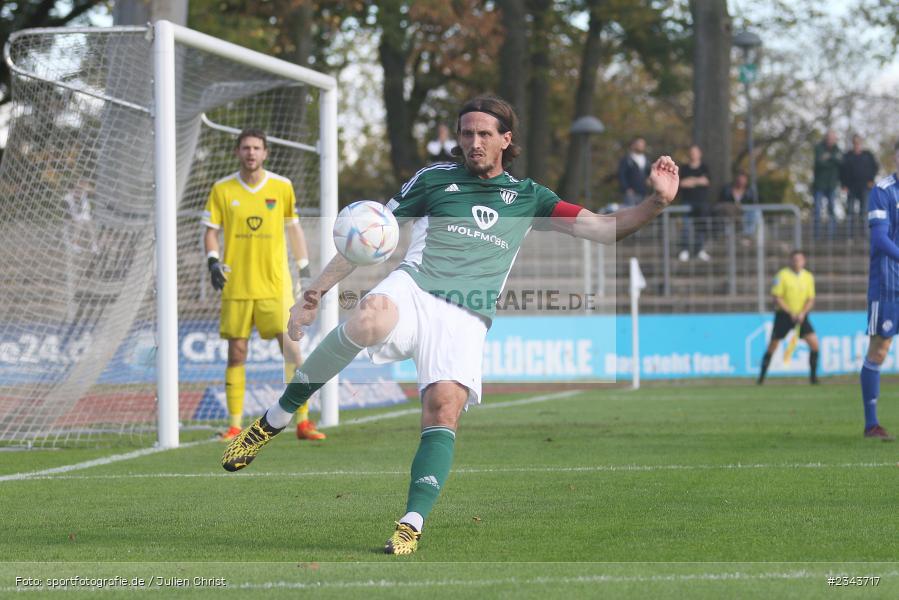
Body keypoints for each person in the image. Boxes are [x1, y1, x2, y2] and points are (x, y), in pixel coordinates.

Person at [221, 95, 680, 554]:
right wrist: (315, 292)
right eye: (466, 133)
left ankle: (411, 523)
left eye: (484, 134)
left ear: (506, 139)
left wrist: (655, 203)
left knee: (443, 409)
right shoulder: (434, 179)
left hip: (467, 314)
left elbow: (602, 228)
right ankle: (271, 421)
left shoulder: (529, 197)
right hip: (415, 288)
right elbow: (367, 236)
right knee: (368, 317)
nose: (473, 142)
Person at [202, 128, 325, 442]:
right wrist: (213, 260)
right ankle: (233, 424)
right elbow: (211, 231)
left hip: (275, 285)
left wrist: (304, 270)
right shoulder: (222, 189)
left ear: (265, 153)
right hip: (237, 286)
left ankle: (303, 421)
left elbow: (294, 229)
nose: (251, 153)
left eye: (256, 148)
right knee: (236, 353)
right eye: (245, 148)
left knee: (292, 352)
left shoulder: (281, 187)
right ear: (238, 152)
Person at [858, 140, 899, 441]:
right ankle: (872, 424)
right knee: (880, 349)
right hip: (888, 285)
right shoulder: (883, 191)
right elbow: (880, 241)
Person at [757, 250, 819, 385]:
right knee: (773, 345)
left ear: (804, 261)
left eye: (800, 259)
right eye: (794, 259)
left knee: (814, 344)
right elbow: (776, 297)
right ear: (790, 261)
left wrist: (802, 313)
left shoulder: (808, 277)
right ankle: (761, 379)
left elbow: (811, 299)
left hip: (801, 316)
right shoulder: (782, 275)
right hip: (784, 316)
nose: (797, 262)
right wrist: (790, 312)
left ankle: (813, 379)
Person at [677, 144, 711, 262]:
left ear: (699, 153)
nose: (693, 154)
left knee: (701, 226)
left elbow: (706, 181)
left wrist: (692, 180)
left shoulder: (704, 167)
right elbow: (681, 183)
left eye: (695, 152)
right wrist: (698, 180)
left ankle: (699, 249)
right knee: (685, 226)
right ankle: (685, 250)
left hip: (701, 202)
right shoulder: (684, 168)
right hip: (687, 201)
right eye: (691, 152)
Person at [840, 134, 879, 234]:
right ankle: (850, 235)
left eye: (858, 142)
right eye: (855, 143)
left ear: (861, 143)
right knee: (850, 211)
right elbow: (842, 171)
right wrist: (844, 185)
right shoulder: (847, 156)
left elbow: (875, 167)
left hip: (865, 187)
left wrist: (871, 180)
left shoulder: (868, 155)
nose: (857, 145)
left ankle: (865, 234)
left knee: (865, 211)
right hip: (851, 188)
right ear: (853, 143)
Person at [812, 130, 842, 240]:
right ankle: (817, 236)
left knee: (832, 210)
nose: (830, 140)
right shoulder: (819, 148)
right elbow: (819, 163)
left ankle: (832, 236)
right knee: (817, 210)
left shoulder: (838, 149)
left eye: (833, 138)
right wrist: (833, 159)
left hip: (832, 186)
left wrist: (828, 157)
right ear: (826, 138)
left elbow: (840, 162)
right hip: (819, 186)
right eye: (829, 138)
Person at [719, 171, 759, 240]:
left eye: (743, 180)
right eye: (739, 180)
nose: (741, 182)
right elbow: (722, 202)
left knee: (756, 213)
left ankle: (747, 236)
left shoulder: (750, 191)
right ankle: (728, 237)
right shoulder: (727, 189)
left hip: (744, 213)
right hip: (730, 213)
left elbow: (753, 203)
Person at [617, 136, 651, 206]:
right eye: (639, 144)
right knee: (630, 212)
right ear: (633, 145)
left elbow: (649, 172)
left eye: (643, 144)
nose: (641, 146)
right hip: (631, 193)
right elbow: (621, 174)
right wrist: (626, 188)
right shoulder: (627, 159)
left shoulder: (646, 159)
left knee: (643, 213)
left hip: (644, 192)